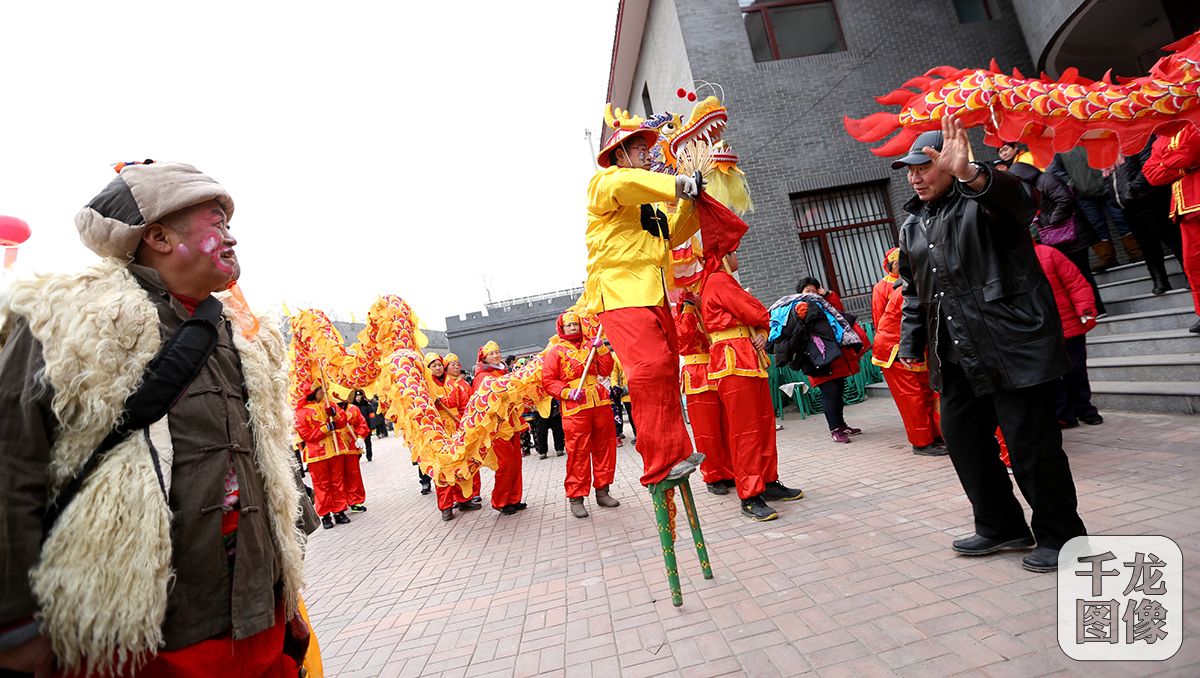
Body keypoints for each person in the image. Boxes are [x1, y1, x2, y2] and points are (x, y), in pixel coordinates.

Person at [0, 162, 315, 676]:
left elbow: (264, 468)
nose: (231, 238)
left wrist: (287, 595)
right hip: (142, 639)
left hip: (260, 625)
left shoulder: (242, 334)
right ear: (159, 236)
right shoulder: (62, 321)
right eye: (217, 223)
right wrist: (14, 628)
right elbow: (10, 470)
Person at [893, 117, 1087, 573]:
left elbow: (1023, 204)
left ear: (950, 162)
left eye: (924, 166)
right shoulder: (913, 226)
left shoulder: (985, 202)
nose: (915, 176)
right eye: (909, 169)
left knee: (1030, 446)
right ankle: (1002, 526)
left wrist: (973, 175)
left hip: (1010, 343)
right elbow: (914, 291)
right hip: (956, 352)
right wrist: (911, 340)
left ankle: (1063, 537)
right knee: (964, 441)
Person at [585, 104, 706, 487]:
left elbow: (675, 233)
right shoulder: (606, 183)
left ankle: (677, 452)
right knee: (650, 368)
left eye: (647, 149)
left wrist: (695, 196)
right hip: (620, 292)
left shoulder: (652, 200)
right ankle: (659, 463)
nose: (647, 154)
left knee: (668, 370)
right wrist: (676, 185)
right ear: (619, 155)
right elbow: (623, 186)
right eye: (639, 149)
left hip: (653, 292)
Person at [701, 258, 805, 521]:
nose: (737, 256)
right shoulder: (718, 280)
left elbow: (752, 319)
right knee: (745, 430)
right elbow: (755, 310)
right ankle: (749, 494)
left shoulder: (722, 281)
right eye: (733, 251)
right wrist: (762, 321)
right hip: (733, 361)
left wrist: (760, 330)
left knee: (763, 425)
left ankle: (768, 482)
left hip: (746, 356)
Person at [541, 311, 621, 518]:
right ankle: (576, 497)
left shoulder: (592, 345)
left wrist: (602, 348)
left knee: (605, 448)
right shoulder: (555, 351)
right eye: (569, 326)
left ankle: (603, 491)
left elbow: (606, 369)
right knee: (578, 452)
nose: (573, 328)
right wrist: (566, 392)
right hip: (575, 407)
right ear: (561, 328)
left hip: (599, 402)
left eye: (576, 324)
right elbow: (549, 380)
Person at [1006, 161, 1107, 316]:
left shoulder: (1046, 180)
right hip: (1063, 237)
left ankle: (1096, 309)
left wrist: (1053, 220)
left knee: (1081, 273)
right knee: (1076, 273)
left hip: (1074, 234)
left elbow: (1065, 199)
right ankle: (1091, 309)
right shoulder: (1036, 186)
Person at [871, 247, 945, 456]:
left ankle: (935, 436)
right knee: (913, 399)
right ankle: (922, 442)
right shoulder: (905, 291)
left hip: (912, 349)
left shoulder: (914, 287)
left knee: (926, 393)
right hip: (896, 351)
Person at [1033, 243, 1102, 428]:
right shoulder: (1008, 262)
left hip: (1067, 323)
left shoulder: (1048, 253)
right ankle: (1064, 414)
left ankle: (1084, 409)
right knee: (1053, 375)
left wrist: (1085, 309)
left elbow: (1076, 283)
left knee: (1077, 370)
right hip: (1039, 331)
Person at [794, 277, 868, 444]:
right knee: (830, 393)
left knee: (838, 391)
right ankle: (835, 430)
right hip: (817, 358)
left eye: (814, 290)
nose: (812, 294)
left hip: (833, 356)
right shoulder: (799, 307)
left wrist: (827, 294)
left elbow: (839, 312)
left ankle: (841, 425)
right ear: (800, 293)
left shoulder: (825, 305)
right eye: (807, 291)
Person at [1143, 125, 1200, 334]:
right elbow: (1151, 174)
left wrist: (1165, 162)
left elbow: (1192, 153)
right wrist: (1182, 165)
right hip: (1184, 209)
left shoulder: (1192, 124)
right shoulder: (1161, 139)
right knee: (1194, 267)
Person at [673, 293, 730, 494]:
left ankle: (729, 471)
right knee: (707, 432)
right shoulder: (678, 313)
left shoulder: (708, 307)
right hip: (697, 373)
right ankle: (712, 474)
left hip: (719, 368)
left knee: (726, 427)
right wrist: (688, 309)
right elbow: (683, 340)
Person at [1049, 147, 1141, 270]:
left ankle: (1135, 251)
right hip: (1083, 194)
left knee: (1121, 218)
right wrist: (1071, 183)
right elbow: (1055, 169)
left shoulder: (1093, 134)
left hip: (1108, 185)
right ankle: (1106, 257)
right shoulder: (1061, 146)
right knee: (1095, 225)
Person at [1114, 138, 1184, 296]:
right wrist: (1116, 198)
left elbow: (1149, 164)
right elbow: (1109, 180)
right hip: (1129, 207)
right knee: (1148, 247)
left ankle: (1188, 274)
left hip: (1151, 199)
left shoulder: (1140, 139)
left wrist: (1132, 190)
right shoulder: (1109, 151)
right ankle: (1160, 280)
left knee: (1172, 239)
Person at [425, 352, 480, 521]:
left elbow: (464, 406)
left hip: (456, 426)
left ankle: (464, 499)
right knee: (442, 468)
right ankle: (446, 505)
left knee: (461, 461)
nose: (437, 367)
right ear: (428, 369)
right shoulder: (426, 388)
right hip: (438, 430)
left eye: (439, 364)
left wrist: (466, 424)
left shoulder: (454, 385)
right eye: (433, 365)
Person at [473, 341, 527, 515]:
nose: (496, 356)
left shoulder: (504, 371)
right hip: (496, 426)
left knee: (516, 462)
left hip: (511, 420)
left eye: (497, 352)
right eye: (491, 354)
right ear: (485, 358)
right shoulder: (482, 376)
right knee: (505, 464)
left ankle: (514, 498)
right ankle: (501, 501)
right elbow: (482, 401)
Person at [297, 387, 355, 528]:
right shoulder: (301, 412)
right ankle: (325, 515)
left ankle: (339, 511)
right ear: (311, 392)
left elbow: (342, 421)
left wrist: (334, 414)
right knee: (321, 485)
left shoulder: (329, 404)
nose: (323, 392)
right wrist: (325, 429)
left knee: (337, 482)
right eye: (319, 390)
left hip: (335, 449)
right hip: (316, 454)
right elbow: (306, 435)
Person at [443, 352, 482, 506]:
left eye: (457, 364)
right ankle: (457, 496)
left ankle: (475, 492)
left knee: (472, 459)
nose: (456, 367)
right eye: (452, 364)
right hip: (453, 426)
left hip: (468, 423)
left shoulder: (465, 384)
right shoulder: (445, 385)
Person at [339, 394, 371, 512]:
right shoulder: (329, 409)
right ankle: (341, 502)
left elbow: (362, 424)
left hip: (352, 447)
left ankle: (355, 501)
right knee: (338, 477)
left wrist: (361, 437)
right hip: (335, 449)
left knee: (353, 474)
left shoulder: (353, 409)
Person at [353, 389, 377, 461]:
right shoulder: (353, 406)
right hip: (356, 428)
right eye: (356, 396)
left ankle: (369, 456)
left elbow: (372, 416)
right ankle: (358, 456)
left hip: (366, 427)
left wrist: (372, 427)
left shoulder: (367, 405)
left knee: (368, 442)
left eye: (359, 396)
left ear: (362, 396)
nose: (358, 398)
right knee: (357, 443)